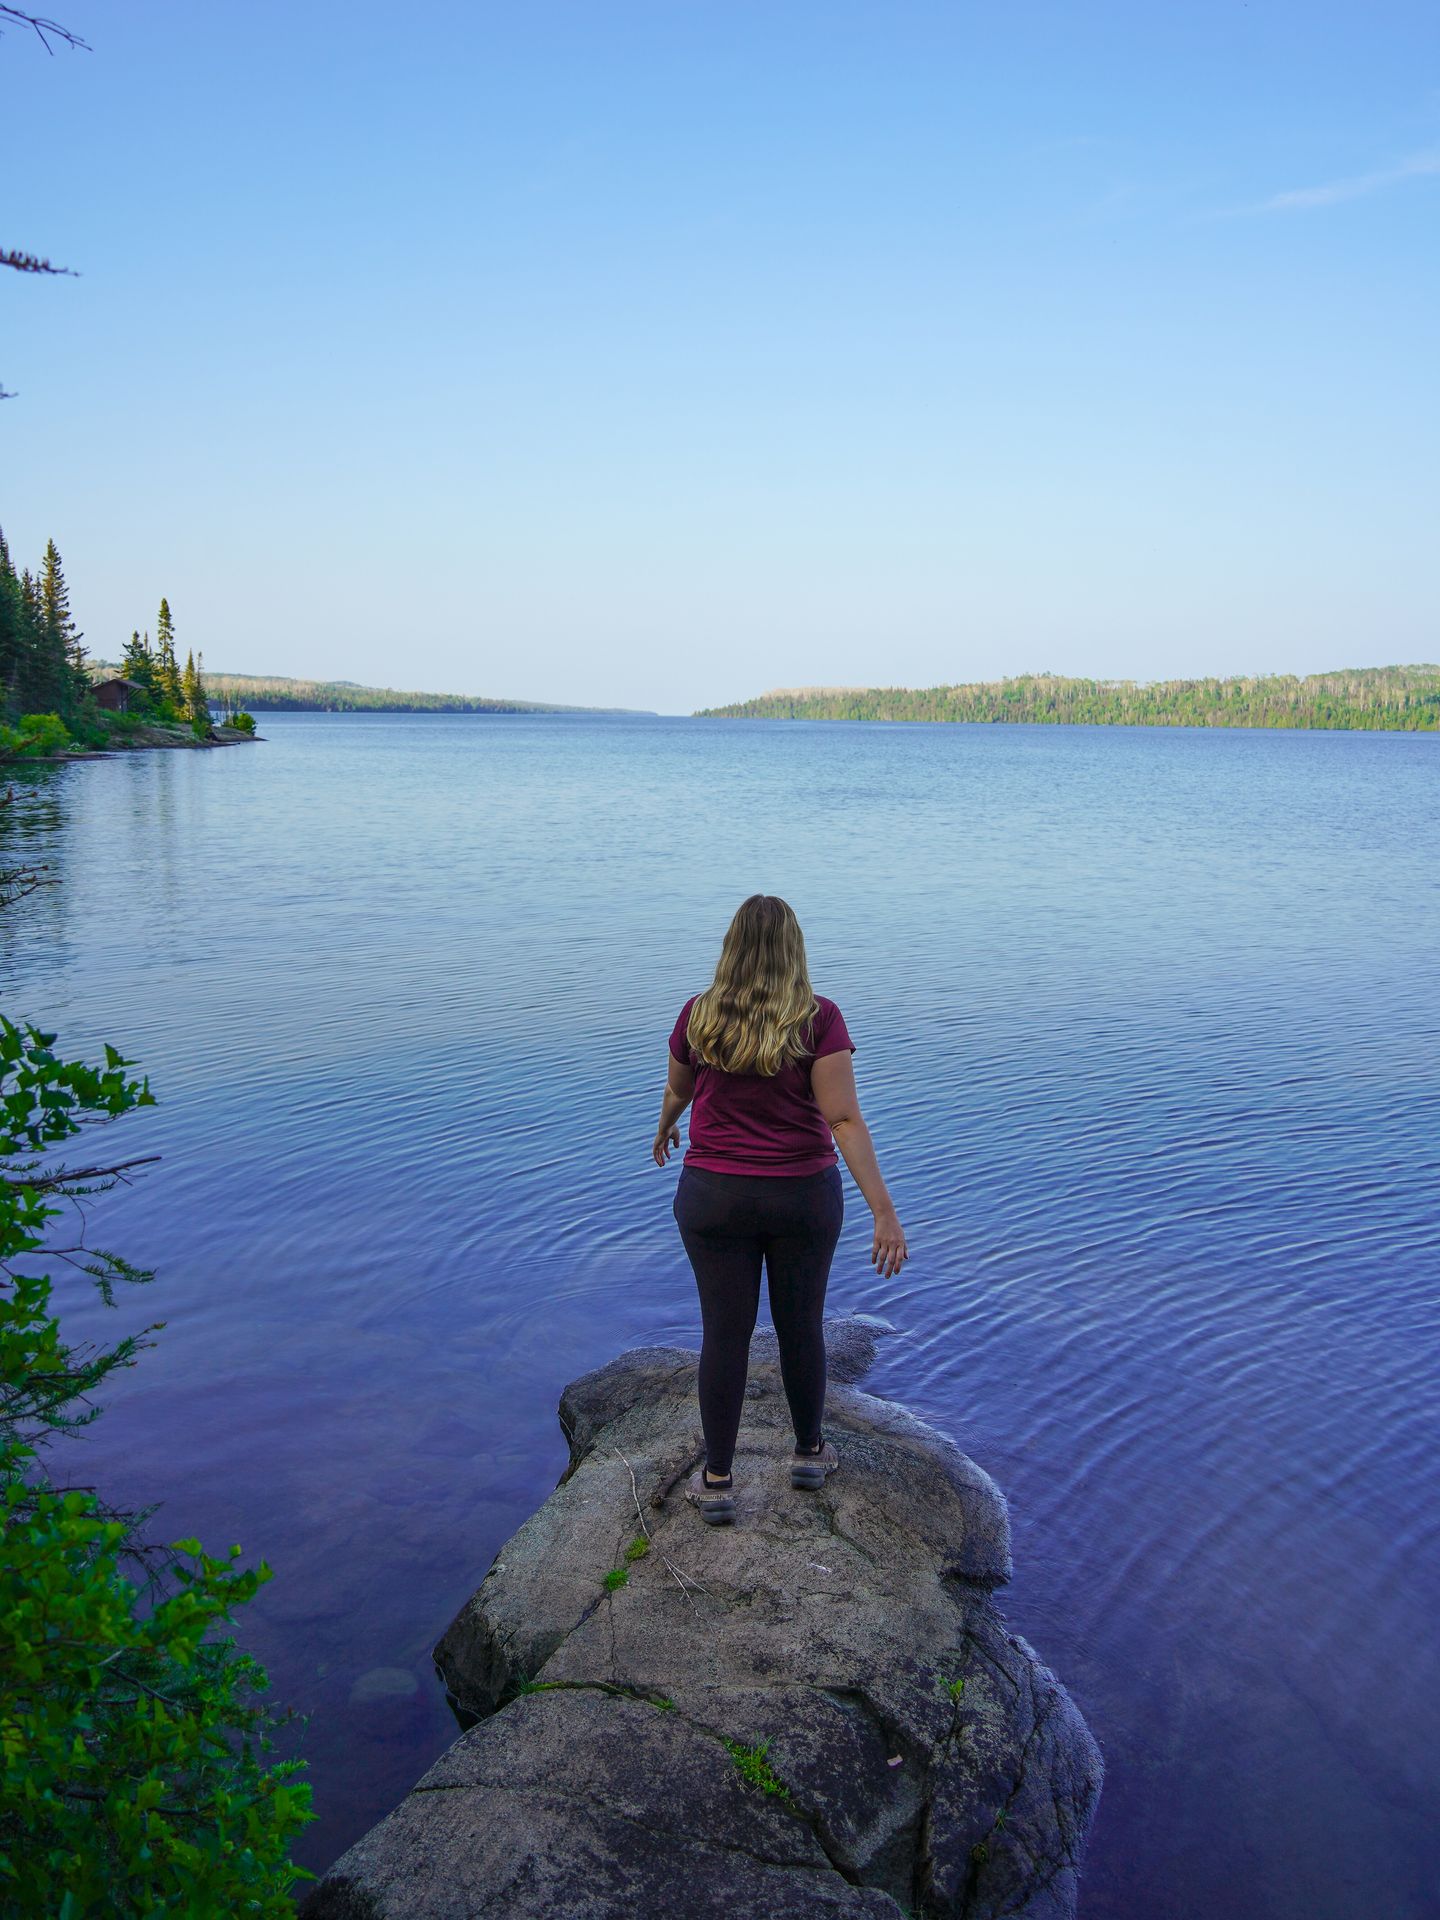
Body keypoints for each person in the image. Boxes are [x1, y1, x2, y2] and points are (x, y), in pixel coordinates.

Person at [653, 894, 908, 1525]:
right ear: (794, 949)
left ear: (731, 946)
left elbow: (678, 1088)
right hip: (800, 1197)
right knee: (801, 1326)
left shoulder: (699, 1014)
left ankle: (716, 1480)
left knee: (724, 1332)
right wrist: (884, 1210)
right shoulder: (818, 1019)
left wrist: (663, 1129)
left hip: (713, 1197)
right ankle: (810, 1454)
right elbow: (842, 1118)